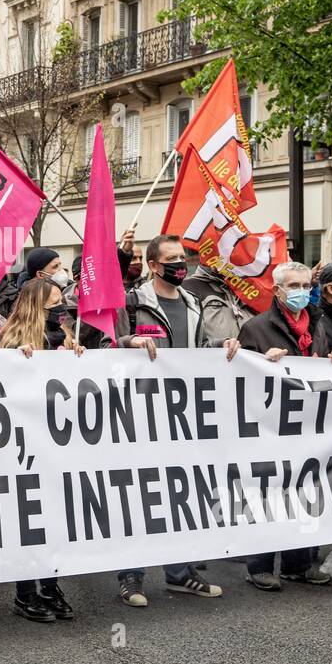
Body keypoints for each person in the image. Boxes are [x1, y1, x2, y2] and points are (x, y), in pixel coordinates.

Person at [112, 234, 228, 605]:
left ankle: (180, 572)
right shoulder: (132, 303)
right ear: (152, 265)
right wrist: (127, 342)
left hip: (184, 414)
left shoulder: (194, 302)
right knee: (139, 494)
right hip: (140, 413)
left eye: (183, 257)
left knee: (182, 493)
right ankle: (131, 574)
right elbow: (104, 348)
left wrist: (224, 346)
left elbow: (197, 350)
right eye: (173, 259)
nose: (182, 264)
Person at [235, 262, 332, 590]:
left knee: (305, 489)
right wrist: (263, 362)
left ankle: (298, 562)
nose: (302, 291)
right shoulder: (256, 327)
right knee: (266, 492)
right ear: (277, 290)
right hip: (269, 424)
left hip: (306, 422)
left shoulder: (317, 323)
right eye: (293, 286)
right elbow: (239, 379)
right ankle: (259, 564)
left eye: (306, 284)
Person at [0, 277, 81, 623]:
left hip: (57, 445)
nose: (60, 307)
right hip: (24, 448)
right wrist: (15, 362)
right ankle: (26, 593)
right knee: (28, 521)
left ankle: (50, 585)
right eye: (53, 302)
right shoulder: (11, 339)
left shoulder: (64, 337)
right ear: (35, 305)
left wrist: (78, 360)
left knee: (55, 518)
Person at [182, 261, 257, 346]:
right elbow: (186, 341)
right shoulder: (187, 288)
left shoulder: (252, 289)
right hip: (212, 358)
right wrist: (220, 344)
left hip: (251, 357)